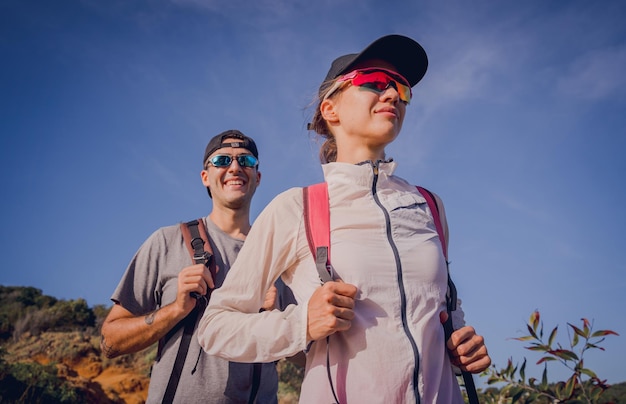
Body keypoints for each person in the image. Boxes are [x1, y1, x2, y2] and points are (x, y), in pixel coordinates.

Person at [197, 35, 491, 403]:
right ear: (330, 110)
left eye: (400, 88)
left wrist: (462, 344)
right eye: (374, 82)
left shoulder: (429, 205)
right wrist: (300, 323)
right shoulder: (297, 207)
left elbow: (443, 311)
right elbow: (215, 327)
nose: (393, 95)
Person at [100, 130, 283, 403]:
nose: (235, 167)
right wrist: (175, 310)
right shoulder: (167, 242)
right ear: (205, 177)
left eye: (245, 161)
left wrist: (278, 318)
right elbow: (110, 341)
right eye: (222, 160)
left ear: (257, 177)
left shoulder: (282, 257)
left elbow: (306, 357)